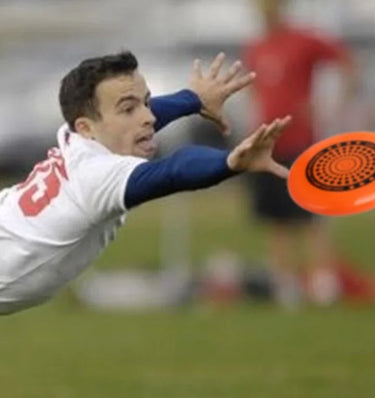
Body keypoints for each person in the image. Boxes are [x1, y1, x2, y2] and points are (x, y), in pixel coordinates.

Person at [0, 50, 291, 315]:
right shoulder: (96, 176)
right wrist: (227, 162)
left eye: (147, 103)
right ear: (85, 127)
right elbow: (174, 171)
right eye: (129, 108)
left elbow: (135, 123)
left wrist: (193, 99)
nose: (149, 117)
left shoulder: (78, 136)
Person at [243, 0, 357, 306]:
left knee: (310, 215)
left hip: (300, 140)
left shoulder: (304, 40)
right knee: (276, 219)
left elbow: (346, 61)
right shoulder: (256, 47)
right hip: (267, 145)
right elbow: (255, 91)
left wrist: (333, 105)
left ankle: (323, 285)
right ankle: (285, 286)